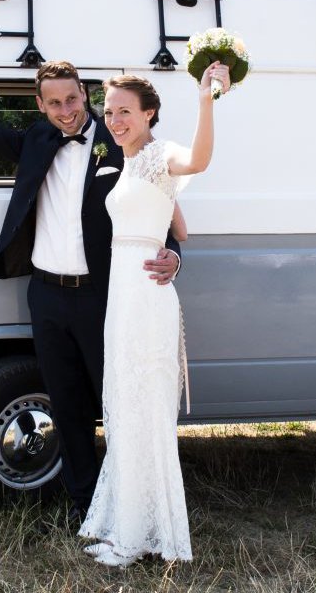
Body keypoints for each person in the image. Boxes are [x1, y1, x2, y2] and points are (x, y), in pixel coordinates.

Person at [0, 19, 182, 526]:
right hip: (46, 295)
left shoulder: (120, 138)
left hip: (105, 295)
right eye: (54, 103)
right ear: (41, 105)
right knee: (67, 406)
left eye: (72, 99)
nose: (66, 110)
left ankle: (132, 505)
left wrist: (173, 252)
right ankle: (87, 506)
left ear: (84, 93)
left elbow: (156, 198)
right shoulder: (36, 141)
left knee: (120, 402)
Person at [77, 67, 226, 567]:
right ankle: (128, 526)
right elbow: (178, 225)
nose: (115, 119)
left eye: (125, 111)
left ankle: (141, 537)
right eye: (110, 110)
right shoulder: (128, 163)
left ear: (149, 114)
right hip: (122, 298)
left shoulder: (161, 156)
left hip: (146, 299)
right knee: (123, 408)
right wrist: (174, 251)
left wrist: (206, 100)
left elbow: (200, 161)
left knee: (145, 412)